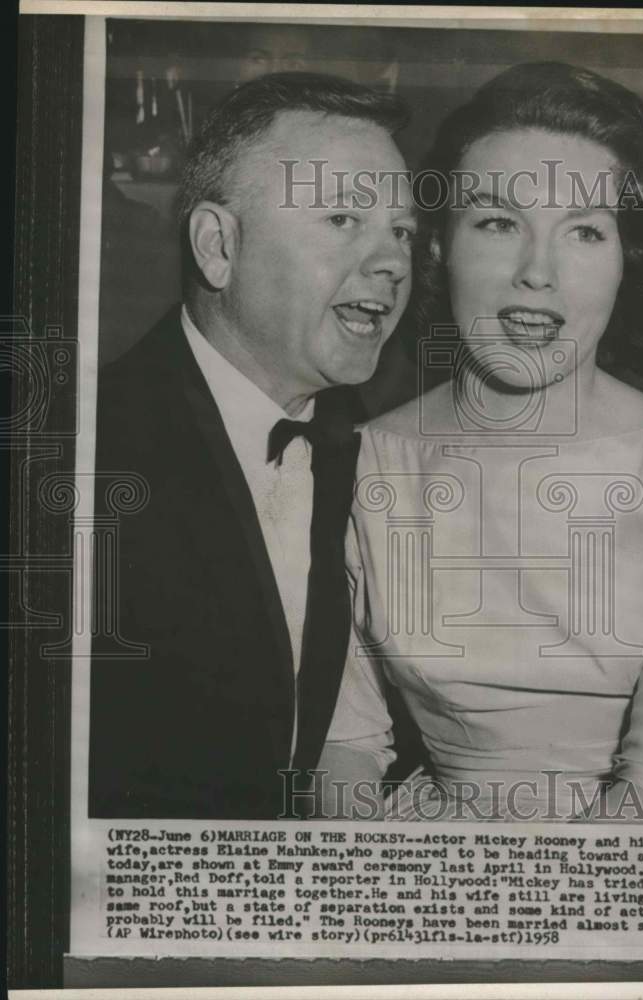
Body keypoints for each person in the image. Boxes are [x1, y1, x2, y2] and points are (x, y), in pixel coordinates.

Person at [318, 62, 643, 824]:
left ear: (626, 261)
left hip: (642, 856)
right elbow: (344, 744)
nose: (536, 274)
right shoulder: (361, 459)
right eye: (496, 223)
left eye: (584, 231)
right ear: (439, 247)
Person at [89, 72, 416, 819]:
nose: (392, 262)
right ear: (217, 246)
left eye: (400, 231)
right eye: (342, 219)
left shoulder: (365, 448)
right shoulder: (78, 454)